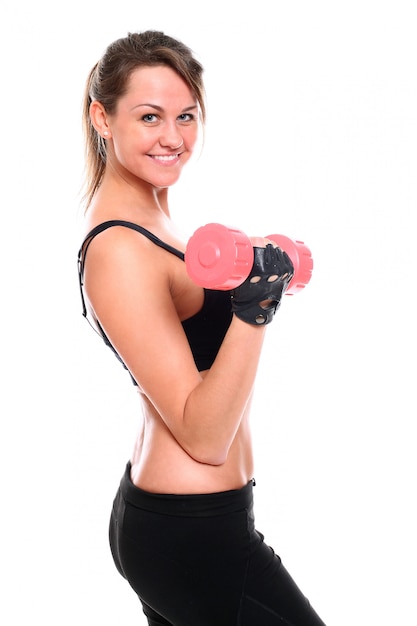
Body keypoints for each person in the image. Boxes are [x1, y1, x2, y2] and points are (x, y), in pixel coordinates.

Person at [77, 30, 326, 626]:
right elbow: (203, 433)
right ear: (102, 118)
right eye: (149, 116)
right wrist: (253, 307)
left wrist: (247, 266)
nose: (173, 137)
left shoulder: (152, 216)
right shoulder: (119, 247)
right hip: (191, 535)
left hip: (197, 523)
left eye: (186, 116)